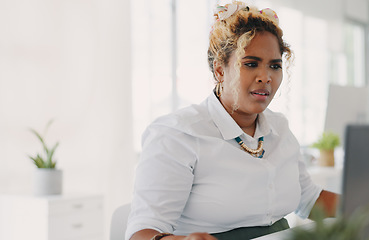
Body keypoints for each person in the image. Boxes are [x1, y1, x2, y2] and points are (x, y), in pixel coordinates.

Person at [126, 2, 339, 240]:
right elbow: (142, 232)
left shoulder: (280, 128)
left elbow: (308, 198)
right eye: (250, 64)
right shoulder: (177, 134)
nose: (265, 77)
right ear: (219, 70)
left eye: (275, 66)